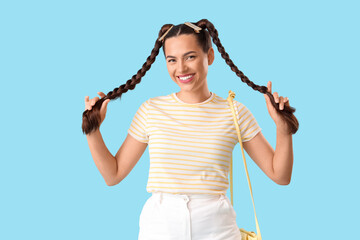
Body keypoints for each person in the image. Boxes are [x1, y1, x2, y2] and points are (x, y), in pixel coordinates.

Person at [83, 19, 298, 240]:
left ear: (210, 57)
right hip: (160, 228)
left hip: (217, 229)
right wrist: (93, 130)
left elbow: (280, 175)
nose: (181, 68)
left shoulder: (234, 112)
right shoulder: (151, 110)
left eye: (191, 57)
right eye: (172, 60)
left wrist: (283, 128)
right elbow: (113, 174)